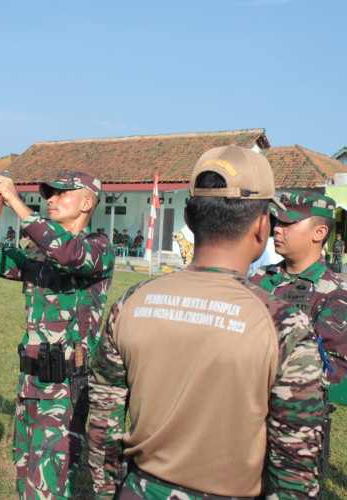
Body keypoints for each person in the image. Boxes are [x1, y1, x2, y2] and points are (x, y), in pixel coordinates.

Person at [88, 145, 324, 499]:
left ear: (188, 218)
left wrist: (109, 491)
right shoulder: (284, 326)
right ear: (262, 225)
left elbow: (102, 423)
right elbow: (296, 467)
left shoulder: (131, 304)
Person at [0, 170, 115, 498]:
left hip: (64, 389)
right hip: (30, 384)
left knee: (48, 489)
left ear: (87, 202)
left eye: (61, 194)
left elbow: (67, 255)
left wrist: (17, 202)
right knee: (25, 479)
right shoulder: (39, 254)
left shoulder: (98, 248)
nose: (51, 199)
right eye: (49, 194)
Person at [249, 192, 347, 493]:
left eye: (287, 222)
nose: (276, 229)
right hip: (246, 414)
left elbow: (332, 368)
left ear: (319, 232)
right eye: (275, 222)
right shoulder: (260, 279)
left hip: (295, 424)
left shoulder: (335, 294)